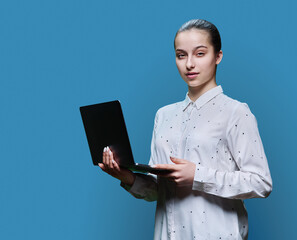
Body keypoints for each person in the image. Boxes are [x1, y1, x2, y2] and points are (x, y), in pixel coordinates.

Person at [99, 19, 272, 240]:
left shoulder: (236, 112)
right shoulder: (163, 115)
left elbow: (261, 182)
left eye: (200, 54)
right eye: (181, 55)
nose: (189, 64)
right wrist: (127, 177)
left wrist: (197, 176)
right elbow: (158, 191)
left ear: (218, 56)